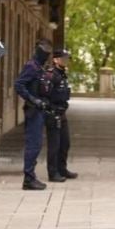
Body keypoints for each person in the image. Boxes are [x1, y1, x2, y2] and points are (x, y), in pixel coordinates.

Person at [15, 39, 53, 190]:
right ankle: (28, 178)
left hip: (40, 110)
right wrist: (33, 99)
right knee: (33, 144)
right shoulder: (31, 66)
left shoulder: (39, 67)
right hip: (33, 110)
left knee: (36, 145)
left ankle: (30, 176)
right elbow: (19, 84)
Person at [44, 49, 78, 182]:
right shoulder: (50, 75)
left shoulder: (62, 74)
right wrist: (50, 110)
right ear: (56, 60)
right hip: (53, 113)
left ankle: (62, 168)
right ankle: (53, 173)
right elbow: (45, 95)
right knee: (54, 145)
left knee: (65, 143)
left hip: (62, 112)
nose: (66, 61)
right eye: (63, 58)